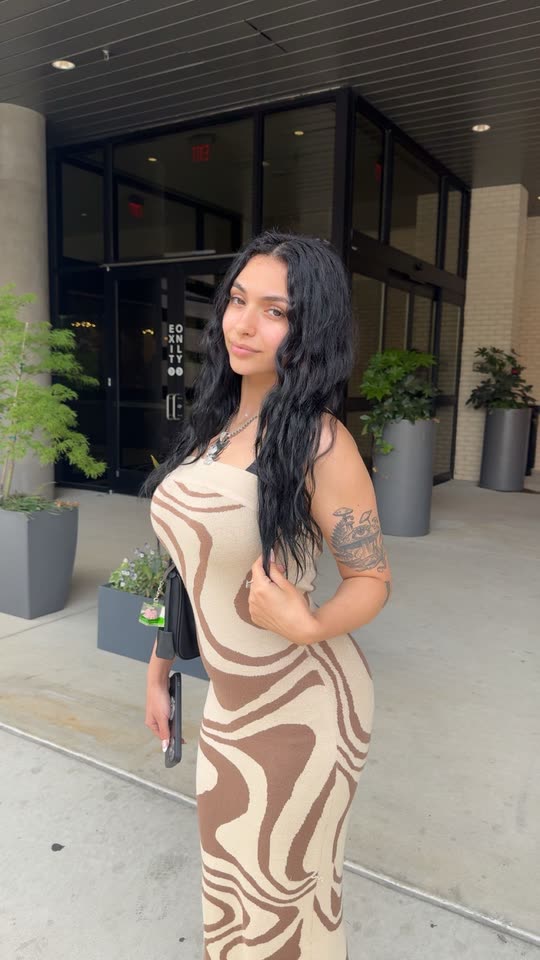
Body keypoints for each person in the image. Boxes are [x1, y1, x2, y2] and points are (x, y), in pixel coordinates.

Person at [144, 230, 391, 960]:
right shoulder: (212, 422)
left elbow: (371, 579)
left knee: (282, 897)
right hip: (232, 702)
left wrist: (308, 624)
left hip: (304, 706)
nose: (244, 324)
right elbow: (183, 568)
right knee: (229, 881)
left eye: (274, 311)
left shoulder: (320, 443)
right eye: (237, 301)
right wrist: (160, 665)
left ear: (310, 329)